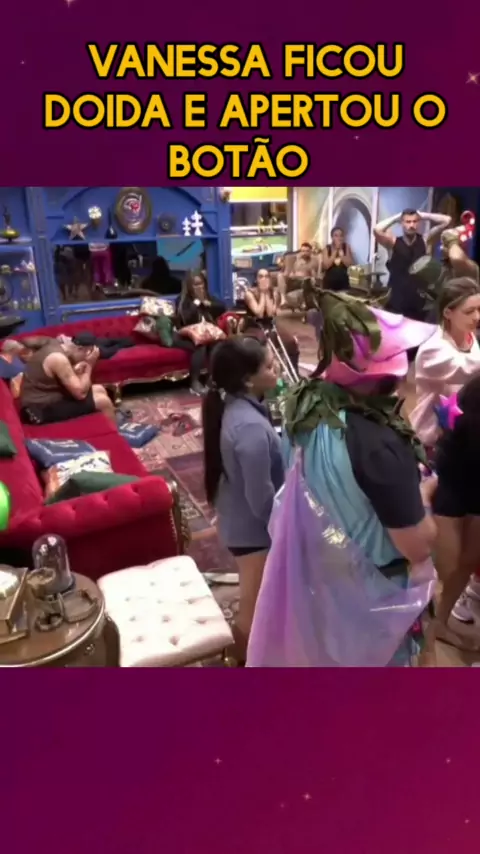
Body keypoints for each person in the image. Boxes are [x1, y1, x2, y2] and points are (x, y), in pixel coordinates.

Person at [250, 291, 437, 666]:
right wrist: (426, 491)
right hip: (375, 591)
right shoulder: (381, 444)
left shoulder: (305, 410)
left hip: (323, 573)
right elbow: (416, 546)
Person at [202, 336, 284, 663]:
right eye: (270, 366)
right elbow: (260, 497)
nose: (277, 370)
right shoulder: (249, 427)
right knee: (254, 604)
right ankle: (241, 660)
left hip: (239, 520)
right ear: (248, 380)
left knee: (256, 596)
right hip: (252, 532)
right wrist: (285, 528)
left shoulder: (238, 408)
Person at [428, 376, 480, 649]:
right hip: (453, 481)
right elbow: (444, 431)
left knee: (468, 561)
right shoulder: (471, 394)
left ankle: (439, 622)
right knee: (445, 564)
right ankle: (422, 623)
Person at [410, 278, 480, 453]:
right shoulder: (432, 349)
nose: (477, 317)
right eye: (469, 311)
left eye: (479, 309)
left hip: (463, 431)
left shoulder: (470, 336)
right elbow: (466, 368)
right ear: (448, 313)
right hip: (434, 437)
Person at [374, 208, 452, 320]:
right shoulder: (393, 242)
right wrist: (397, 217)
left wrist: (423, 215)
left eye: (415, 221)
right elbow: (377, 229)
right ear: (402, 223)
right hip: (396, 304)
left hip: (419, 305)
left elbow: (447, 220)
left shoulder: (425, 240)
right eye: (408, 222)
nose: (411, 225)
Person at [20, 338, 115, 425]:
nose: (85, 358)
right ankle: (115, 435)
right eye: (87, 355)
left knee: (99, 388)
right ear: (80, 349)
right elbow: (80, 393)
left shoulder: (53, 345)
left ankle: (107, 425)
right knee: (103, 402)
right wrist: (89, 364)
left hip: (45, 401)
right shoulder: (59, 359)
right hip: (37, 412)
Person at [173, 271, 226, 395]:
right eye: (196, 284)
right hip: (184, 336)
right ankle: (195, 382)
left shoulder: (208, 297)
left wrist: (208, 304)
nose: (199, 287)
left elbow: (222, 307)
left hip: (205, 335)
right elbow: (186, 319)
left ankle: (212, 380)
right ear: (189, 286)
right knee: (200, 346)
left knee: (217, 344)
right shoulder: (182, 300)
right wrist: (197, 302)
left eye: (201, 284)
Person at [242, 269, 300, 376]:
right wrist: (262, 293)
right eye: (261, 276)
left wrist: (267, 294)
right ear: (256, 279)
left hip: (269, 324)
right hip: (254, 325)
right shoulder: (249, 294)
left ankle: (294, 372)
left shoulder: (274, 293)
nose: (264, 279)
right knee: (264, 343)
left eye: (266, 276)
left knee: (291, 341)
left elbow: (270, 314)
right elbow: (259, 313)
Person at [277, 242, 320, 307]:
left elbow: (314, 277)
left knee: (307, 281)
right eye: (303, 251)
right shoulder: (297, 260)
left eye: (307, 251)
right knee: (280, 275)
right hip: (293, 280)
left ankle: (302, 302)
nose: (304, 253)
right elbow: (291, 272)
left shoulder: (313, 262)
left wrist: (306, 275)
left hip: (303, 282)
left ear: (310, 252)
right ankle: (283, 300)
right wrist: (290, 274)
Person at [322, 226, 353, 292]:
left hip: (343, 282)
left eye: (341, 236)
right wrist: (336, 250)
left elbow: (349, 264)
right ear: (332, 237)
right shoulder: (327, 248)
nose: (339, 238)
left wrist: (342, 255)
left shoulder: (346, 247)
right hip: (329, 282)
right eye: (336, 236)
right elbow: (326, 266)